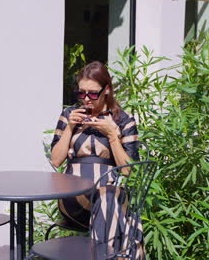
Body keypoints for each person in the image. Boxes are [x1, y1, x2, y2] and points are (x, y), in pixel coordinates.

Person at [50, 61, 145, 259]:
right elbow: (56, 160)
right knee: (113, 203)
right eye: (81, 93)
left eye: (92, 93)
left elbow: (128, 170)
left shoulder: (123, 120)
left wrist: (112, 136)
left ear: (107, 90)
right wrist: (69, 128)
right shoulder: (69, 115)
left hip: (107, 198)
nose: (86, 99)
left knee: (107, 198)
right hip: (73, 199)